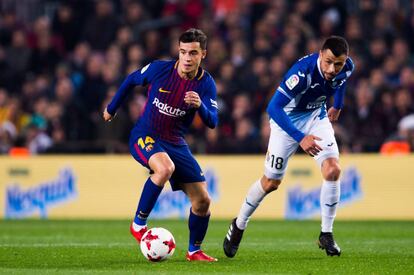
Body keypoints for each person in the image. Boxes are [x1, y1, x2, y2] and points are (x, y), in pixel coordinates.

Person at [223, 36, 354, 258]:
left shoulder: (346, 67)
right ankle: (239, 224)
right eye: (328, 62)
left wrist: (338, 105)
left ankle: (326, 233)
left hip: (315, 116)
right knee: (271, 182)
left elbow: (341, 81)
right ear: (320, 55)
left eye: (338, 64)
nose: (332, 69)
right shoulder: (301, 74)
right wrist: (300, 137)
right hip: (287, 122)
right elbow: (273, 108)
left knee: (333, 170)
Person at [103, 28, 218, 262]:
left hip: (176, 142)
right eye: (183, 52)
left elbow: (213, 122)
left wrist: (200, 106)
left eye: (193, 53)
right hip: (145, 135)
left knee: (203, 201)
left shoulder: (206, 84)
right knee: (164, 168)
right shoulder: (160, 69)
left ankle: (194, 251)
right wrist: (111, 108)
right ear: (178, 51)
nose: (187, 58)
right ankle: (138, 224)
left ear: (203, 55)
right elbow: (131, 80)